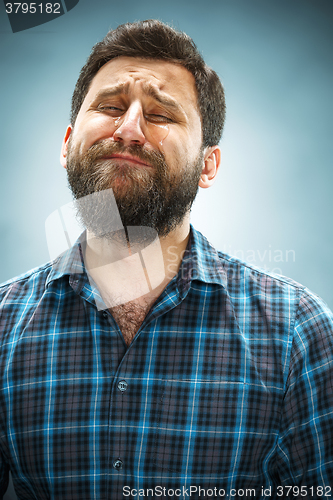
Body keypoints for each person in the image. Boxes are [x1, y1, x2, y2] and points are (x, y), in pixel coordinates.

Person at [0, 19, 332, 500]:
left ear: (208, 164)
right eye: (111, 107)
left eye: (160, 115)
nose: (128, 129)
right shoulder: (5, 327)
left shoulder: (298, 332)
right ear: (67, 143)